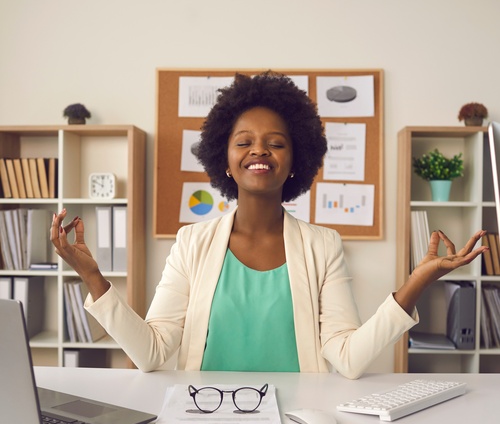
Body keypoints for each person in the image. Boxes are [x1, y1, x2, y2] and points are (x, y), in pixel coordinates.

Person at [50, 71, 487, 379]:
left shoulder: (323, 245)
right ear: (225, 157)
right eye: (245, 142)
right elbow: (150, 353)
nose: (259, 151)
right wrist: (92, 275)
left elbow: (349, 358)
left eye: (275, 143)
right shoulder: (192, 243)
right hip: (204, 418)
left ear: (296, 160)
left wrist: (416, 282)